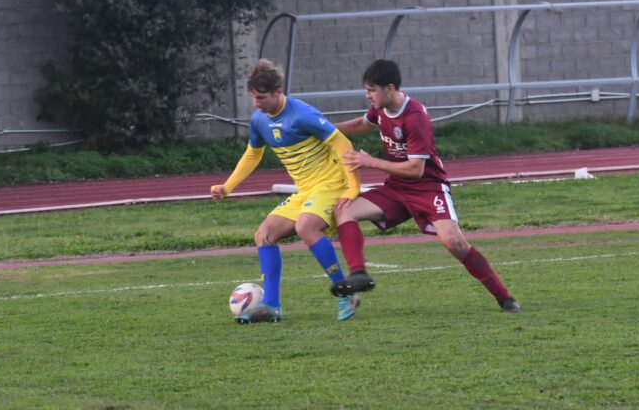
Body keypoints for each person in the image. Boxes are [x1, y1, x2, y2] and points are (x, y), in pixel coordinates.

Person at [330, 59, 521, 313]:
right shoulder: (380, 109)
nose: (367, 95)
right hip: (397, 188)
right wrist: (326, 131)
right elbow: (363, 123)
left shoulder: (415, 116)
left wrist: (370, 161)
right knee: (344, 210)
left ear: (389, 88)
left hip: (428, 187)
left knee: (455, 243)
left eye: (371, 90)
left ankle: (505, 298)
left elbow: (415, 169)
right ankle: (359, 274)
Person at [211, 59, 361, 323]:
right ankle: (271, 306)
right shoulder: (259, 120)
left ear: (278, 92)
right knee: (264, 234)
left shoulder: (303, 114)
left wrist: (353, 186)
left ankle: (345, 292)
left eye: (261, 97)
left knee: (306, 227)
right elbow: (252, 155)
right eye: (253, 98)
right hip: (306, 190)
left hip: (330, 184)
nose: (256, 103)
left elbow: (343, 142)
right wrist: (227, 186)